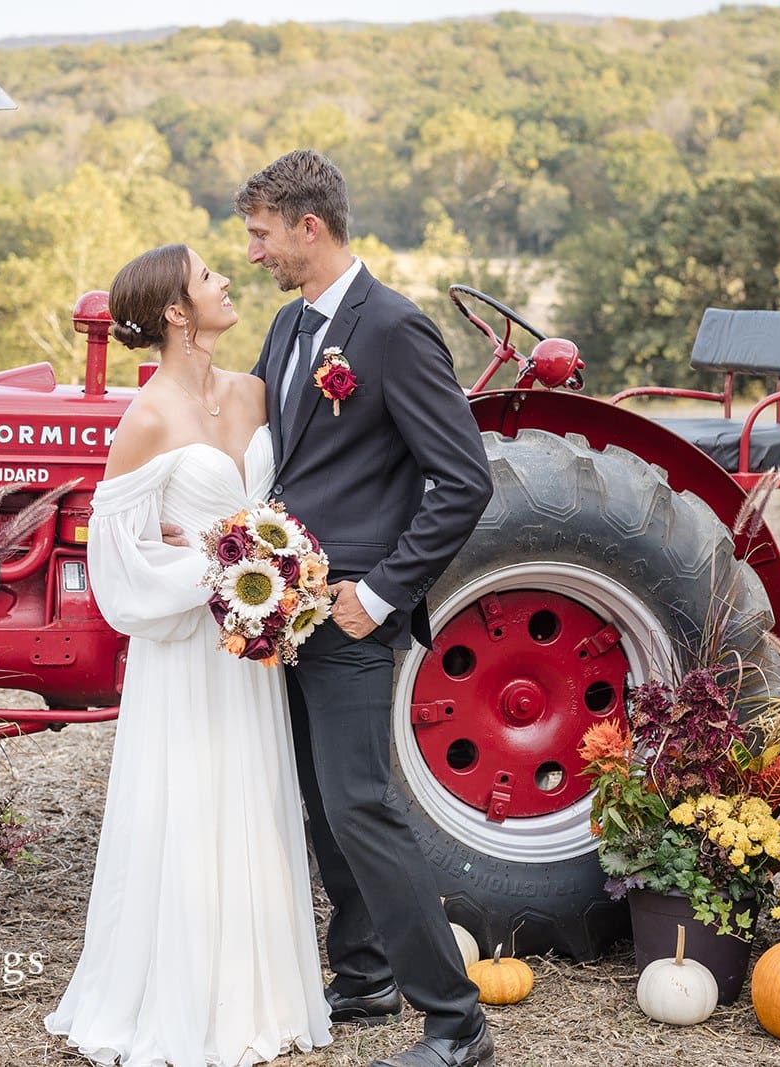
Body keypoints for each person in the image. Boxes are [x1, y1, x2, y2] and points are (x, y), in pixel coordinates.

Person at [232, 151, 496, 1067]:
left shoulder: (391, 329)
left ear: (311, 227)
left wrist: (380, 591)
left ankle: (457, 1022)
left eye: (262, 233)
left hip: (350, 612)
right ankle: (365, 973)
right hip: (287, 612)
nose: (255, 251)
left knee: (361, 804)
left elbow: (462, 481)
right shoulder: (284, 325)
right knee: (315, 802)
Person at [44, 243, 332, 1066]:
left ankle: (260, 991)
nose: (227, 281)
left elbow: (282, 506)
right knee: (190, 800)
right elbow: (117, 553)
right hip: (190, 647)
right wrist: (214, 564)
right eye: (210, 277)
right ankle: (178, 996)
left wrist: (278, 572)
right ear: (176, 311)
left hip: (254, 647)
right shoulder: (149, 417)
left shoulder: (254, 392)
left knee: (253, 792)